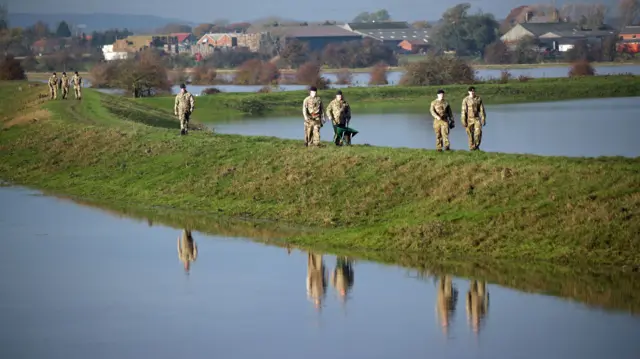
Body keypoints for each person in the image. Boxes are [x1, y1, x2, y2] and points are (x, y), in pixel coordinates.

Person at [460, 86, 486, 151]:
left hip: (477, 119)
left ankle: (476, 146)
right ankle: (472, 147)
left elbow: (482, 109)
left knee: (478, 132)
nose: (472, 92)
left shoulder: (478, 99)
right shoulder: (465, 100)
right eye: (471, 91)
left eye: (473, 91)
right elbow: (463, 111)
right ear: (468, 92)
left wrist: (483, 118)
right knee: (470, 134)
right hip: (469, 119)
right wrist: (463, 120)